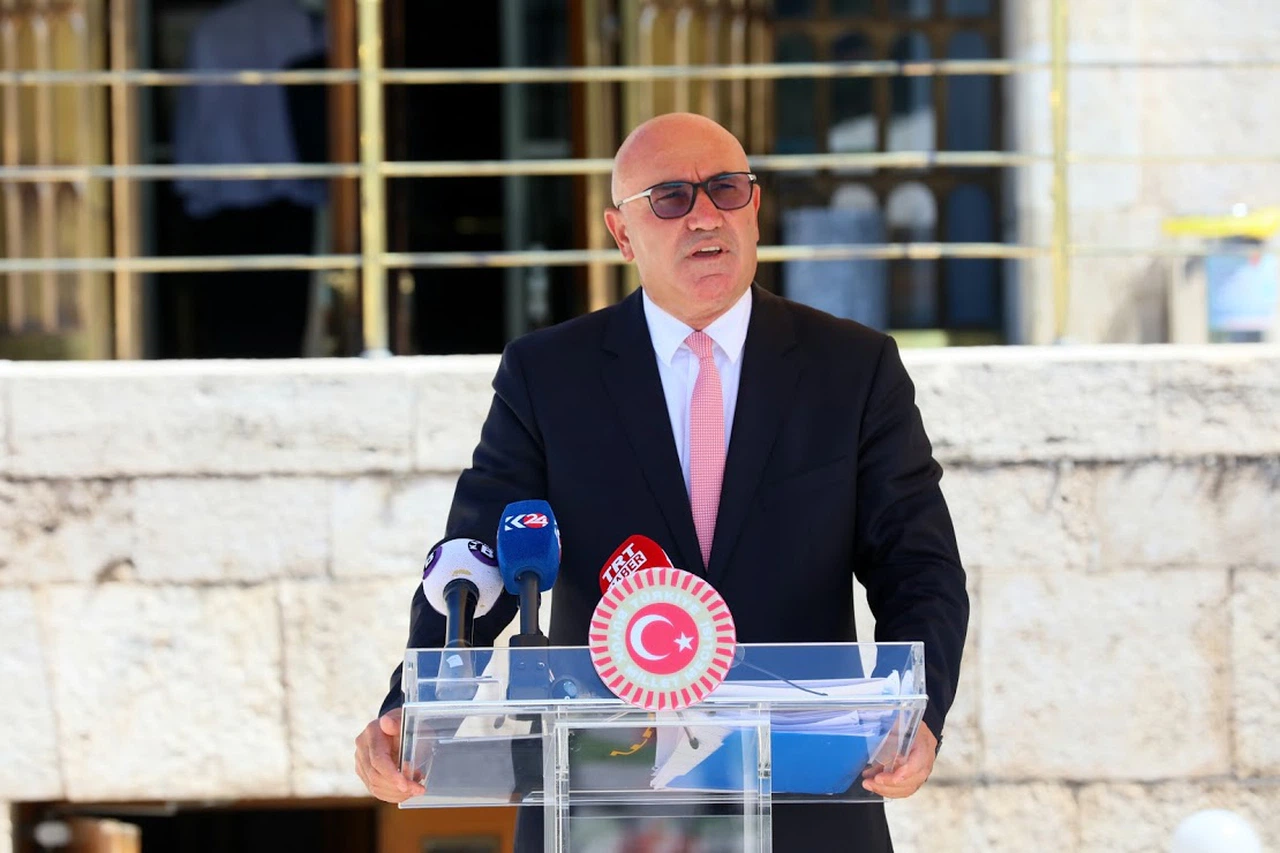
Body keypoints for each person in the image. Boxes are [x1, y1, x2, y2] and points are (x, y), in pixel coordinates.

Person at [355, 112, 969, 852]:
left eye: (726, 189)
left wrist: (919, 711)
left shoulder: (854, 369)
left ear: (755, 207)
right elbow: (477, 560)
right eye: (672, 198)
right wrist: (413, 707)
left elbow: (918, 565)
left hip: (805, 796)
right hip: (606, 793)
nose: (705, 215)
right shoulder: (548, 376)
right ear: (621, 233)